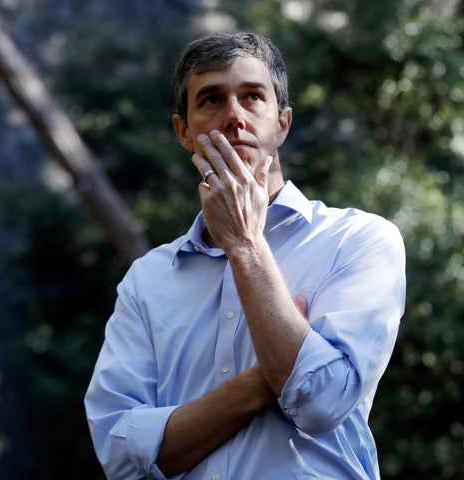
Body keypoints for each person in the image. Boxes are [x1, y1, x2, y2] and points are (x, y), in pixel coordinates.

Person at [84, 31, 406, 480]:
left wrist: (246, 245)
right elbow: (119, 453)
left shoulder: (359, 240)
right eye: (212, 100)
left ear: (282, 123)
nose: (234, 117)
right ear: (184, 132)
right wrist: (265, 380)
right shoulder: (147, 279)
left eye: (253, 97)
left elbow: (322, 403)